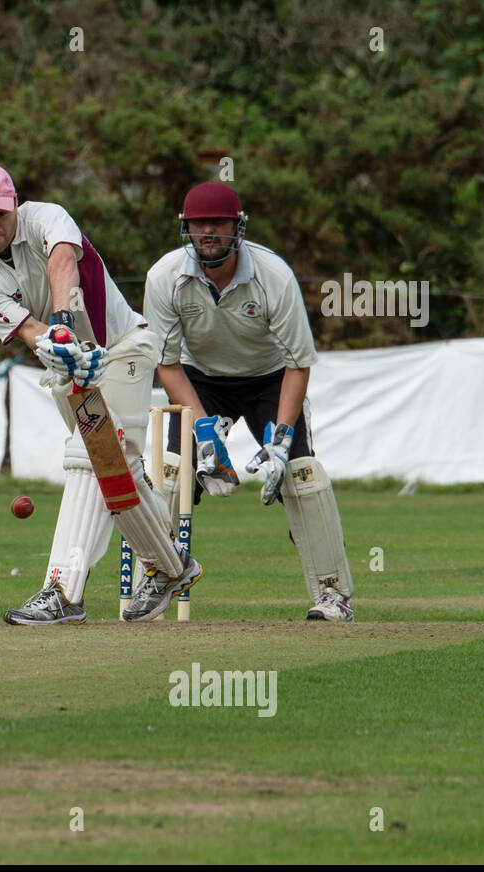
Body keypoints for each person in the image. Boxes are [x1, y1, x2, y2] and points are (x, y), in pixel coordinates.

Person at [0, 164, 200, 625]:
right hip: (70, 369)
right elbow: (29, 329)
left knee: (88, 456)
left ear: (14, 205)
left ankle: (63, 590)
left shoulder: (47, 217)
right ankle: (172, 568)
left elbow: (63, 260)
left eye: (0, 215)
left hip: (123, 346)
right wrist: (55, 346)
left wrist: (64, 324)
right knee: (115, 469)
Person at [142, 181, 354, 620]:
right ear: (186, 228)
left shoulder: (272, 275)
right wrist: (203, 429)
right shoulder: (165, 277)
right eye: (200, 225)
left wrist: (279, 440)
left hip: (270, 378)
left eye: (219, 223)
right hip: (199, 378)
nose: (209, 232)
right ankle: (160, 576)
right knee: (173, 475)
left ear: (238, 227)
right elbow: (165, 363)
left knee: (301, 476)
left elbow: (298, 363)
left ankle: (333, 593)